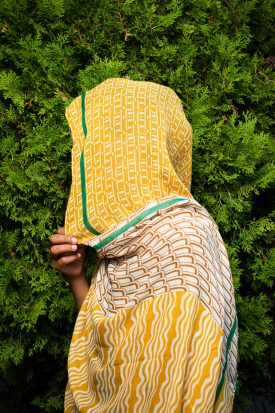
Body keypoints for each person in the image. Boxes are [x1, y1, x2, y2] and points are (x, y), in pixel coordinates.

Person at [50, 78, 238, 412]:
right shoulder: (125, 241)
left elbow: (175, 387)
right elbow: (104, 347)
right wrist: (77, 277)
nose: (88, 170)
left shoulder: (185, 240)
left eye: (98, 151)